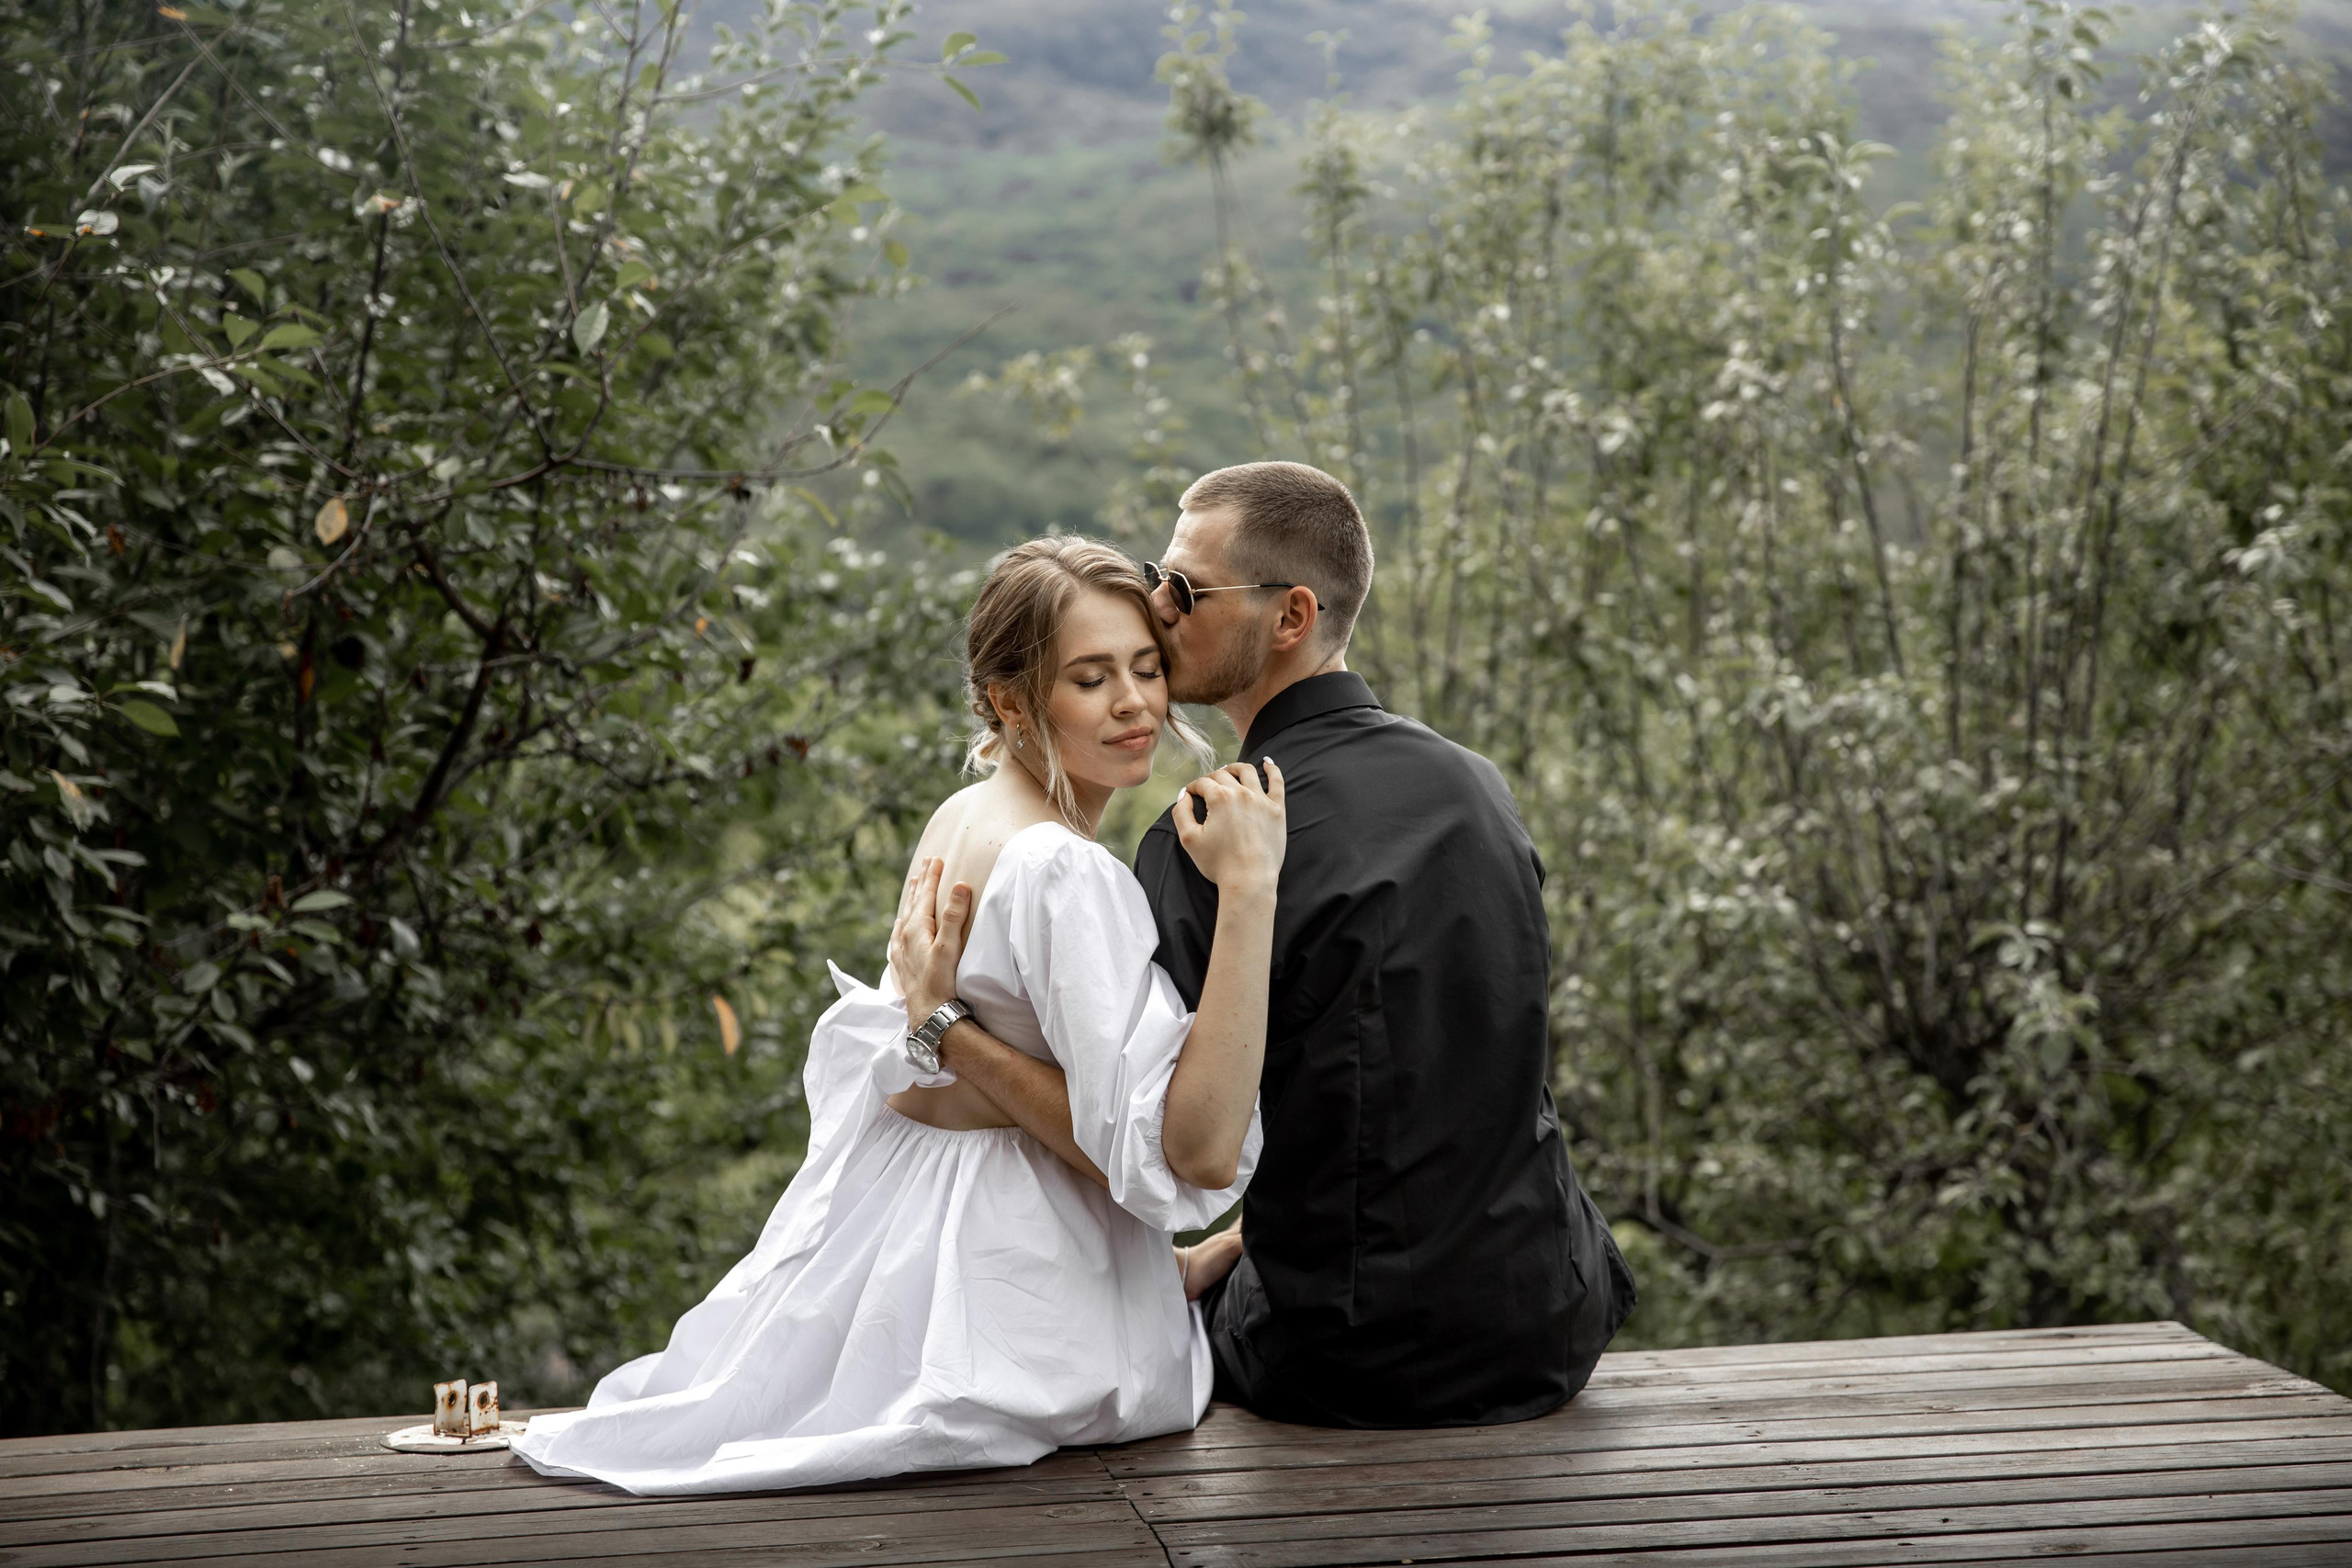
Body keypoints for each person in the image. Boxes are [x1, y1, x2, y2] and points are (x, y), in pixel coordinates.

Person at [512, 538, 1283, 1495]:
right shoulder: (1061, 866)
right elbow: (1171, 1155)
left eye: (1145, 668)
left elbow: (926, 1083)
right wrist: (1251, 888)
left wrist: (948, 1041)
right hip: (1010, 1291)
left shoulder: (965, 814)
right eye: (1090, 678)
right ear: (1012, 700)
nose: (1134, 703)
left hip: (922, 1239)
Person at [1140, 461, 1636, 1427]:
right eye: (1153, 579)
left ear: (1289, 616)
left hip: (1348, 1351)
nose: (1156, 608)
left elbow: (1167, 1144)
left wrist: (943, 1028)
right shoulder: (1475, 785)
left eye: (1186, 588)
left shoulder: (1208, 834)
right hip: (1549, 1317)